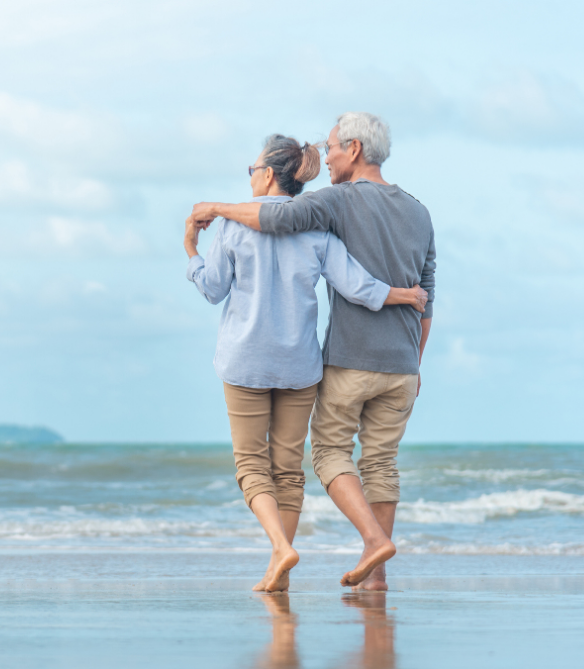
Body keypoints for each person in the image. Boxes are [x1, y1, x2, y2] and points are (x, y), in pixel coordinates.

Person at [186, 113, 437, 591]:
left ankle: (288, 551)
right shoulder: (374, 221)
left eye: (334, 147)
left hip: (273, 361)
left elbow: (220, 280)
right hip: (333, 366)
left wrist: (196, 241)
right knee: (308, 467)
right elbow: (374, 287)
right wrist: (405, 307)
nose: (330, 157)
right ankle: (353, 574)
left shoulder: (279, 218)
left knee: (270, 461)